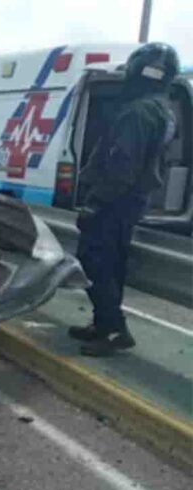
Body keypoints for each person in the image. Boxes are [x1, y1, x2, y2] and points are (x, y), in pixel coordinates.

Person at [68, 43, 179, 356]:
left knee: (94, 261)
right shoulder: (164, 109)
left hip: (115, 200)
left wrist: (95, 202)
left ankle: (114, 329)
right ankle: (104, 323)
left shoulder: (138, 111)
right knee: (110, 263)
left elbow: (122, 164)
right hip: (132, 200)